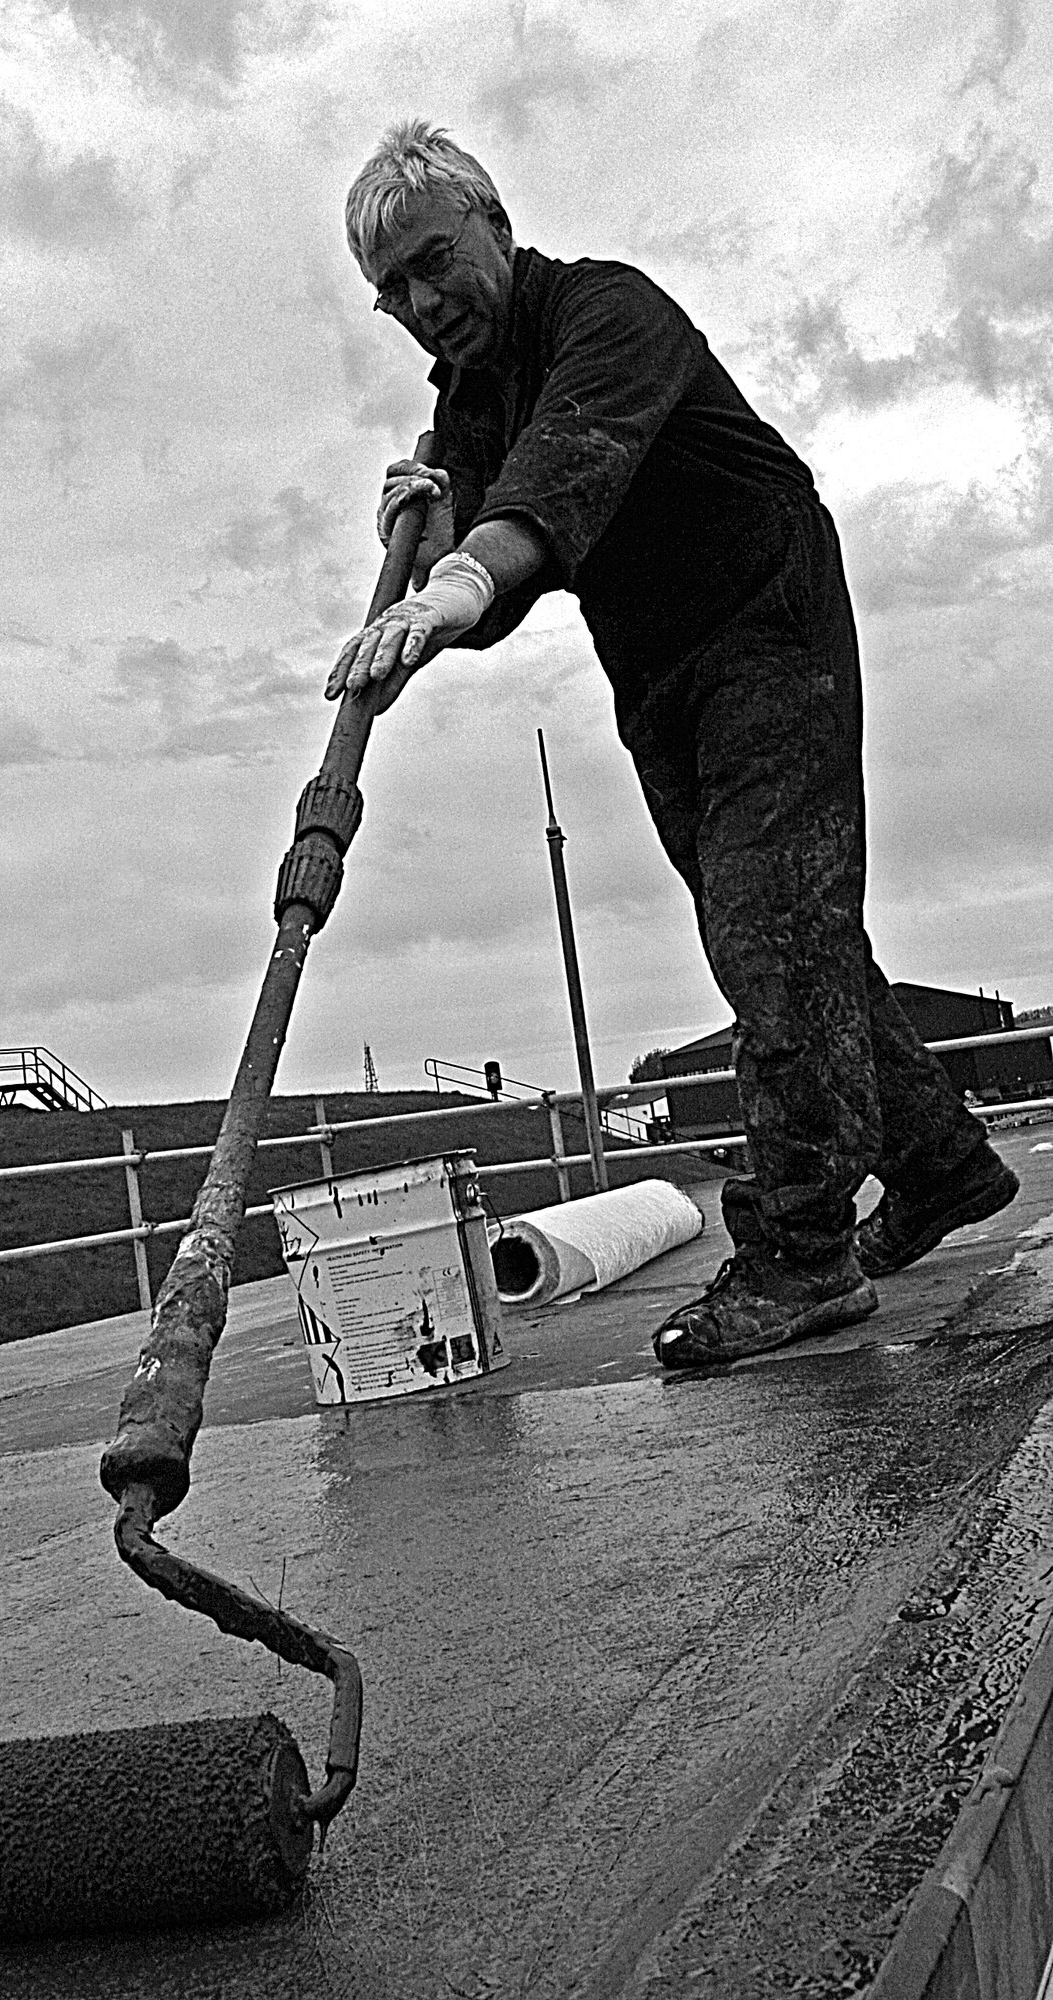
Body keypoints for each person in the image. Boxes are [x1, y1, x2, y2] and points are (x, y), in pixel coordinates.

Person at [326, 119, 1019, 1368]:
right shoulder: (469, 401)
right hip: (658, 676)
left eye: (435, 263)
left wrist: (466, 567)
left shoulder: (608, 313)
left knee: (767, 926)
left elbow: (558, 482)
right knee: (781, 934)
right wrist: (434, 562)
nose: (424, 304)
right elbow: (505, 575)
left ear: (495, 222)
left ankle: (802, 1257)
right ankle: (944, 1163)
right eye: (393, 293)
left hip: (767, 618)